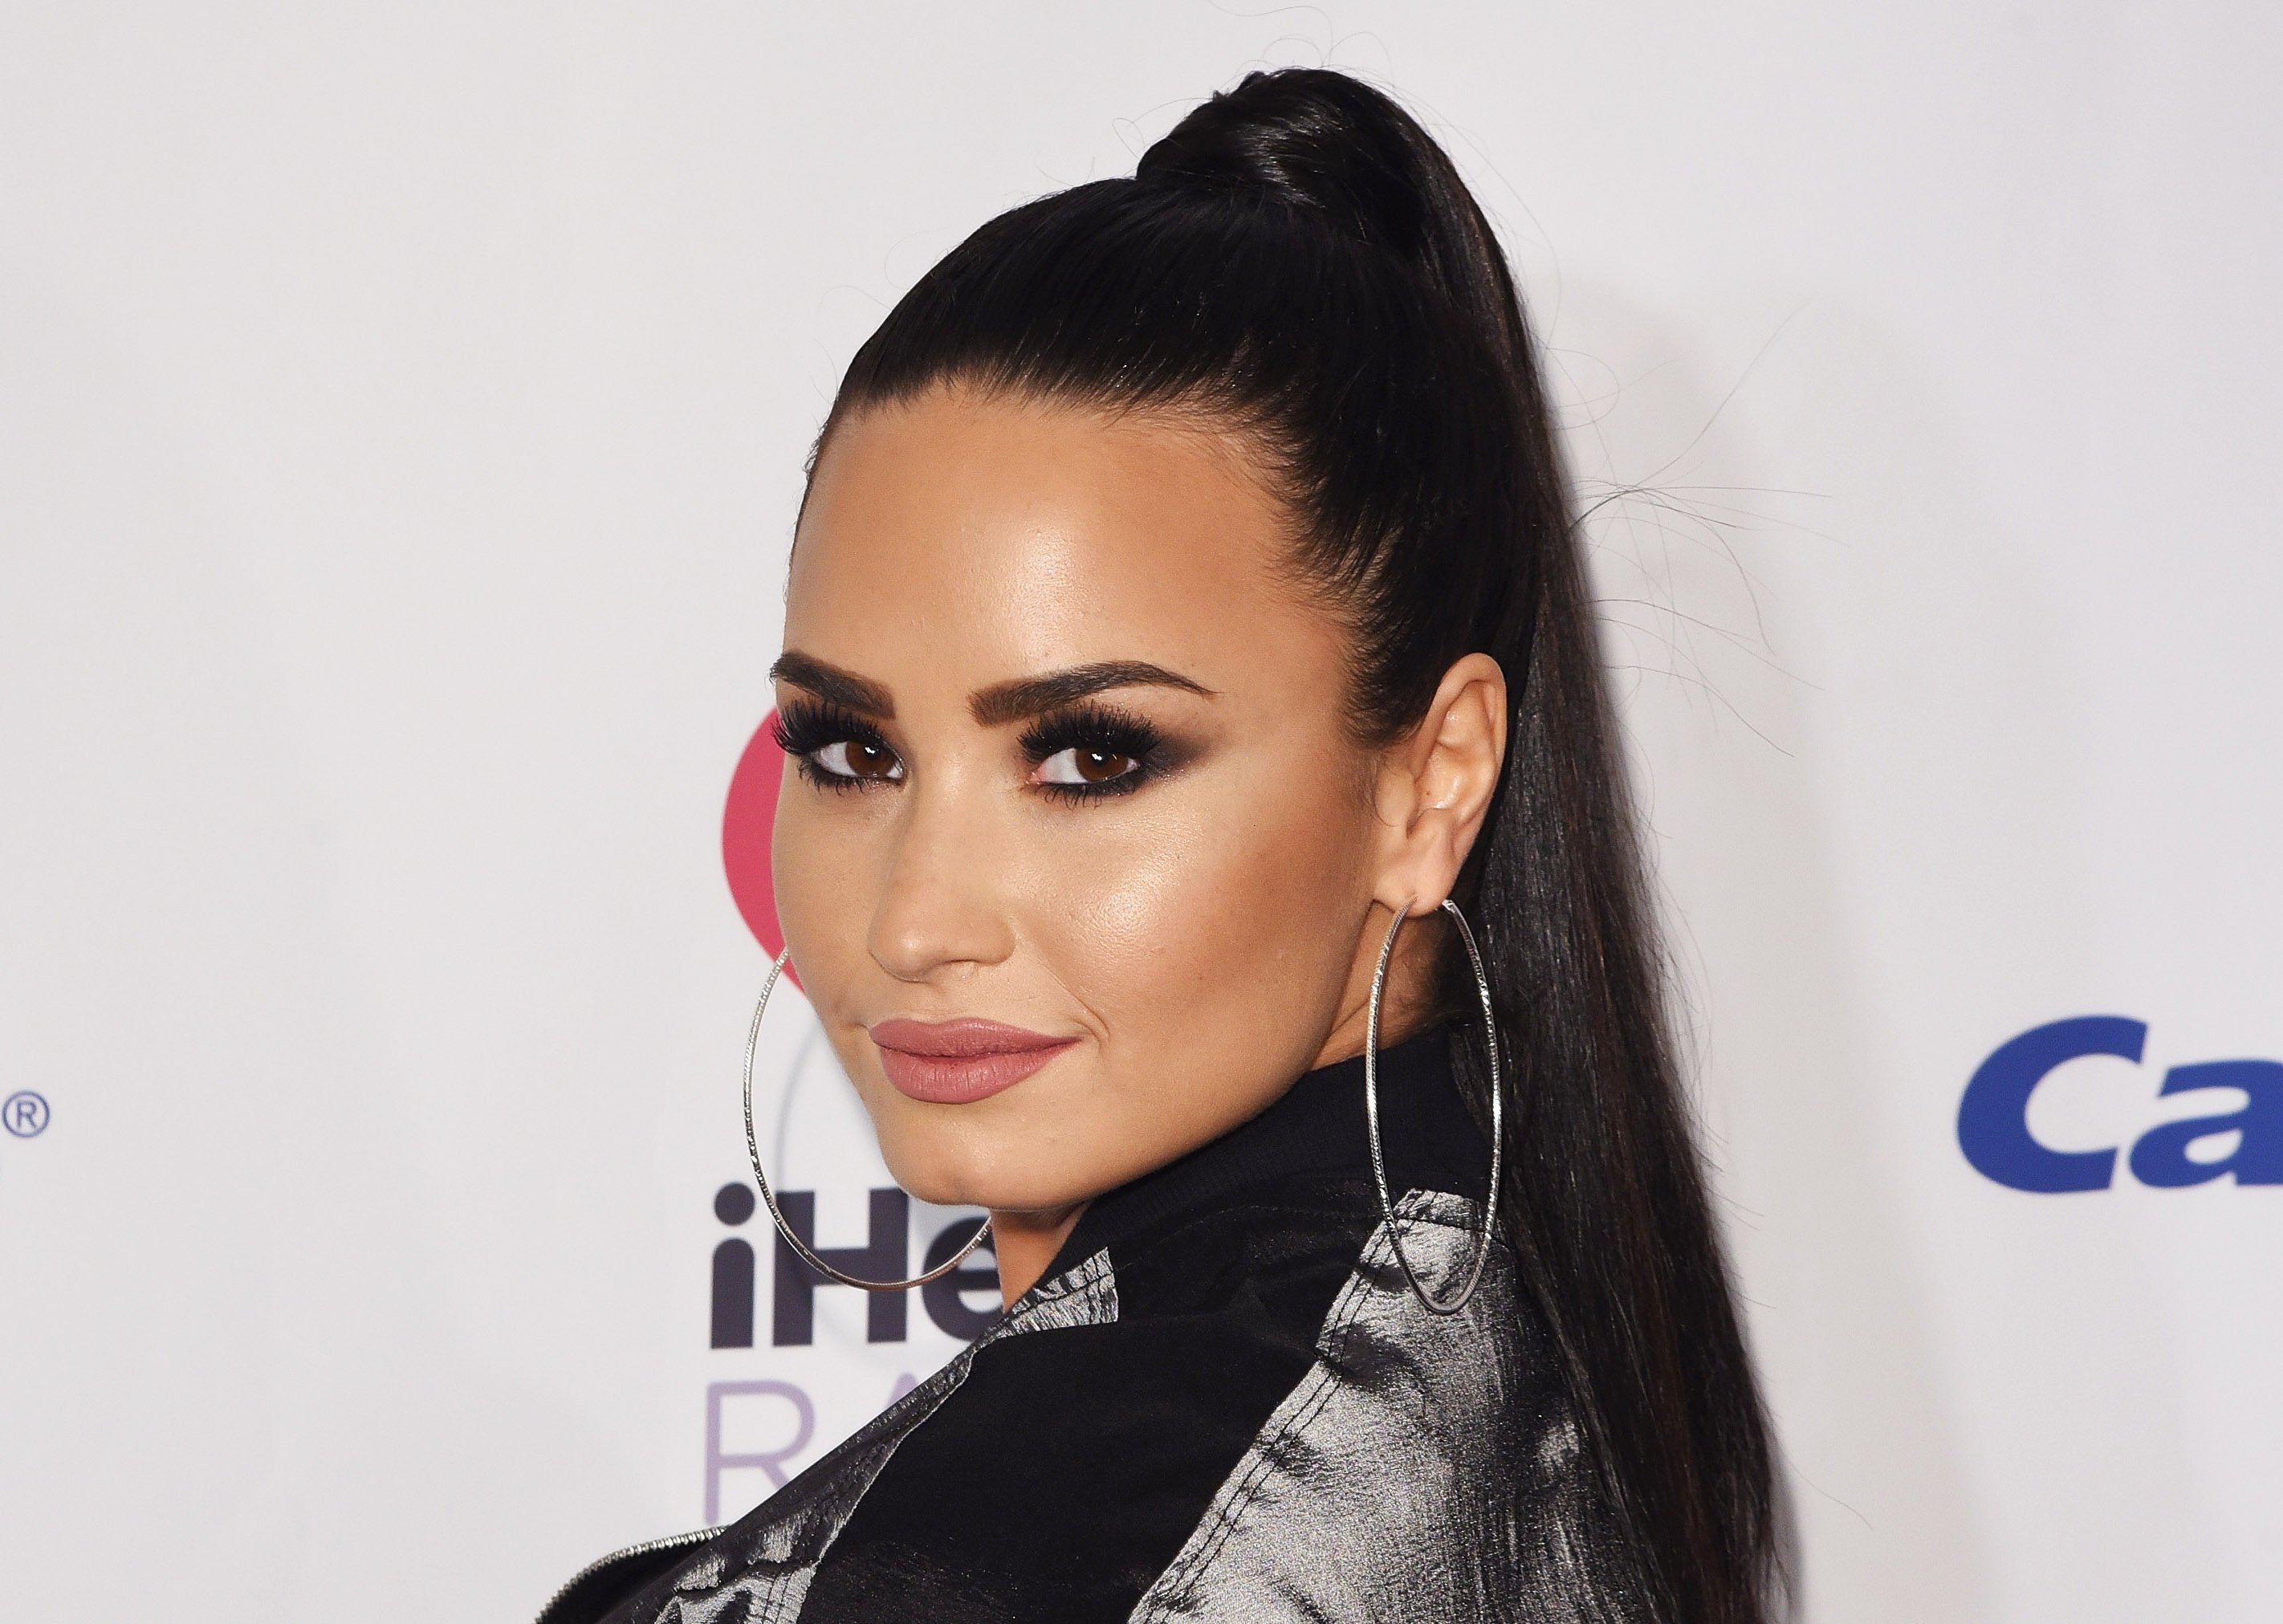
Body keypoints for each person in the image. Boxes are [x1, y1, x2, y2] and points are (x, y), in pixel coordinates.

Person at [543, 67, 1781, 1624]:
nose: (916, 920)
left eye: (1090, 756)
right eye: (853, 750)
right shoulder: (1511, 1356)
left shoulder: (1078, 1560)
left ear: (1433, 782)